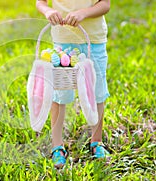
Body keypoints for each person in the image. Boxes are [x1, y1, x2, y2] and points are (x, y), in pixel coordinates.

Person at [36, 0, 111, 168]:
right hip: (63, 40)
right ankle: (57, 146)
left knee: (97, 92)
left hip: (94, 40)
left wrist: (83, 13)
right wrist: (48, 11)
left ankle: (96, 142)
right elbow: (40, 2)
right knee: (60, 94)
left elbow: (105, 4)